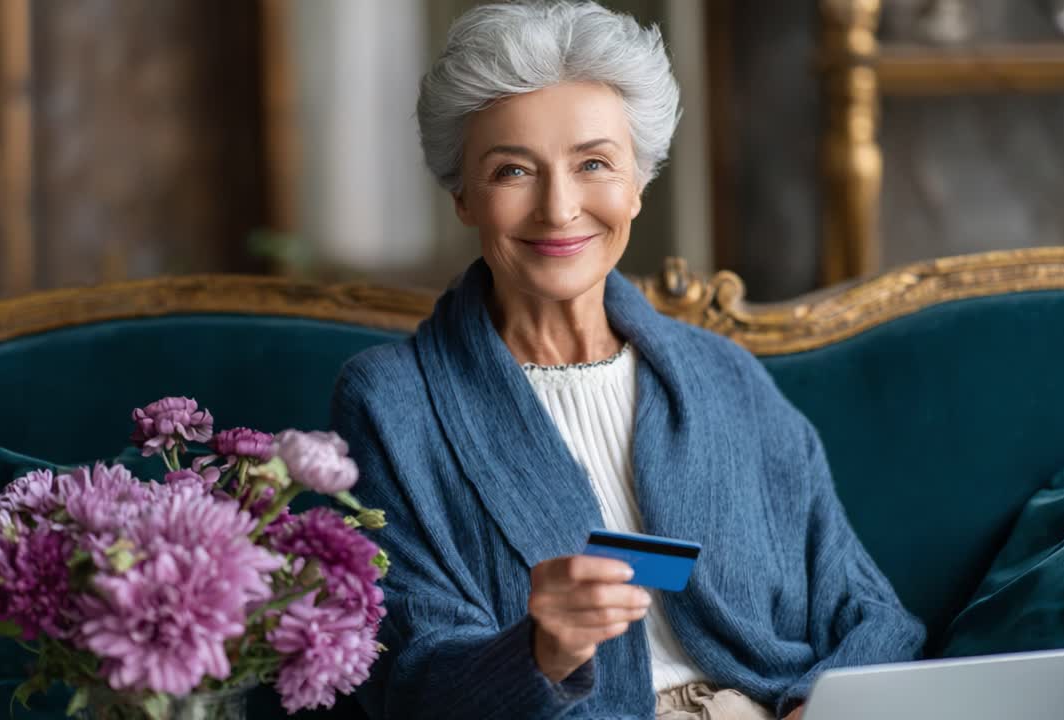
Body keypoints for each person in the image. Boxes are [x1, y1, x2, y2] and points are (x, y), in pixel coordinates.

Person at [330, 2, 926, 718]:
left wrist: (813, 706)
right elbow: (406, 683)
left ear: (638, 184)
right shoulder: (391, 403)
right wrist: (536, 654)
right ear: (463, 196)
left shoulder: (725, 375)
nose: (559, 208)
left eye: (594, 164)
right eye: (513, 170)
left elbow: (870, 613)